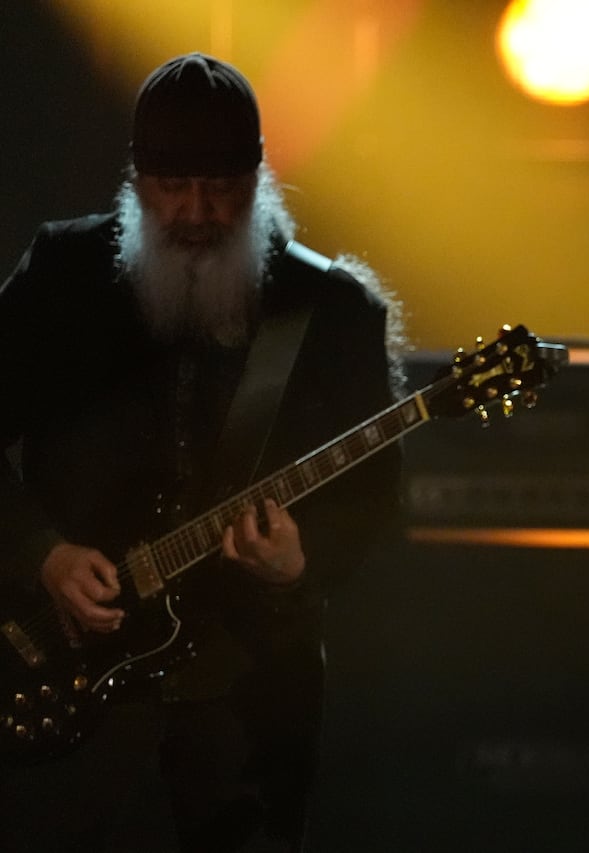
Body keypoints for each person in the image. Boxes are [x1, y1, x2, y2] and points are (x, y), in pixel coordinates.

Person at [0, 53, 404, 851]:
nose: (195, 213)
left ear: (257, 179)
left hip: (247, 710)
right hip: (61, 690)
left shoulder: (329, 309)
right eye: (172, 189)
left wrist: (303, 557)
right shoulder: (65, 277)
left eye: (220, 191)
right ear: (137, 181)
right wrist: (40, 553)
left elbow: (380, 495)